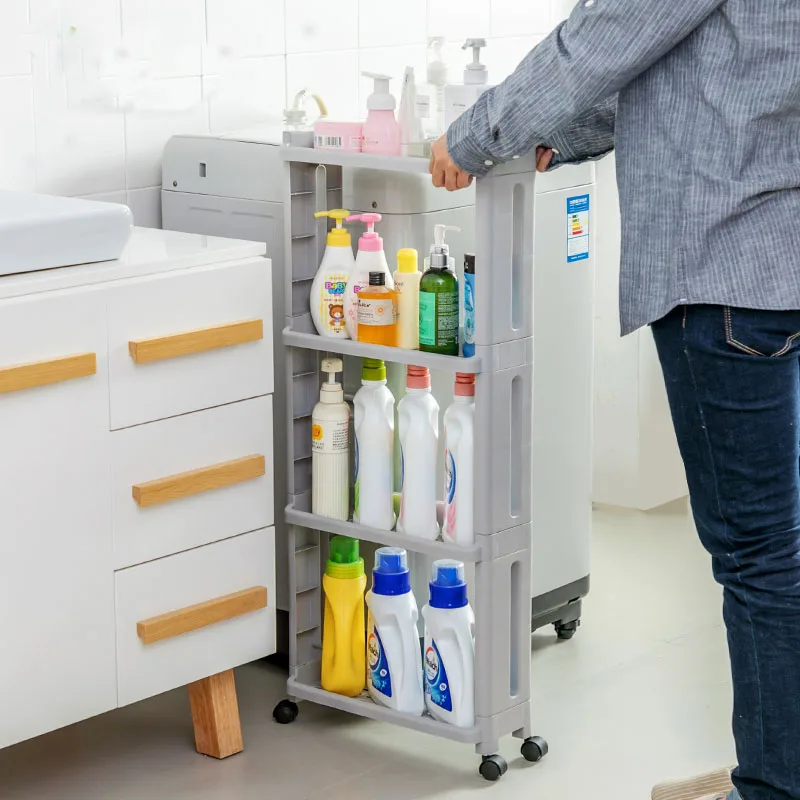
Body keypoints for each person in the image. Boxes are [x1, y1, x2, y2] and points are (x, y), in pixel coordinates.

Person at [429, 2, 800, 800]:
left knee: (760, 557)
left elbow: (600, 41)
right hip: (778, 261)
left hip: (725, 267)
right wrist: (558, 133)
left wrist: (472, 137)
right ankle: (781, 766)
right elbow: (693, 66)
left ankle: (774, 788)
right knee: (780, 550)